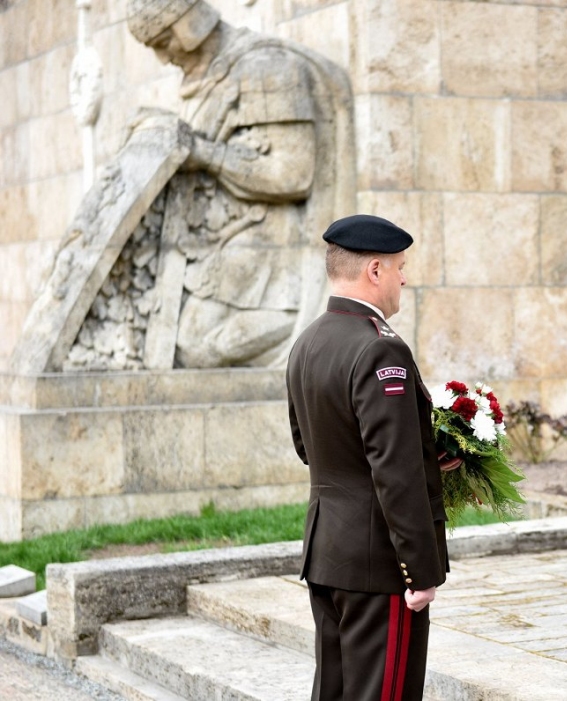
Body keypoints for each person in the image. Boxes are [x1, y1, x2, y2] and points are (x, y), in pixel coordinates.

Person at [122, 0, 351, 368]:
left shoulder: (269, 68)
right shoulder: (210, 76)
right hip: (218, 244)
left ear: (188, 24)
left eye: (164, 41)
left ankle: (314, 337)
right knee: (165, 342)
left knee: (195, 350)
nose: (164, 58)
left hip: (268, 248)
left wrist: (201, 152)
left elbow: (291, 173)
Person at [286, 214, 459, 700]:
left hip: (327, 555)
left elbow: (309, 446)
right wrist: (422, 574)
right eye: (400, 267)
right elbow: (395, 472)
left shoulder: (308, 343)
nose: (405, 278)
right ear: (375, 271)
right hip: (379, 566)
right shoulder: (380, 350)